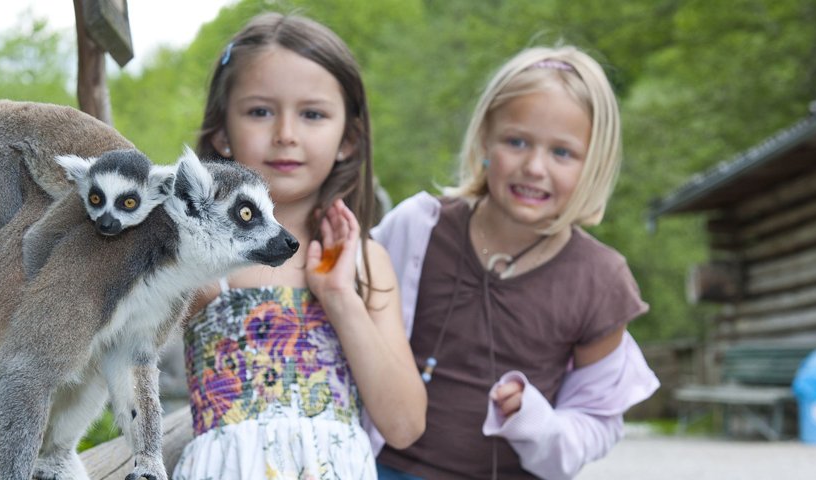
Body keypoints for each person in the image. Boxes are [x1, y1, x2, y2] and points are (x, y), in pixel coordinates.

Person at [371, 46, 660, 480]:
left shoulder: (600, 280)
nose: (534, 167)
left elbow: (596, 421)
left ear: (592, 164)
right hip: (379, 468)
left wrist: (536, 422)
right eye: (516, 141)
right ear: (486, 140)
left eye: (562, 153)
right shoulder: (418, 227)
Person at [172, 13, 426, 480]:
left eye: (312, 114)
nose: (286, 133)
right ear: (223, 135)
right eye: (260, 111)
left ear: (348, 138)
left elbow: (405, 424)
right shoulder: (199, 263)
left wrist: (338, 296)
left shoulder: (366, 263)